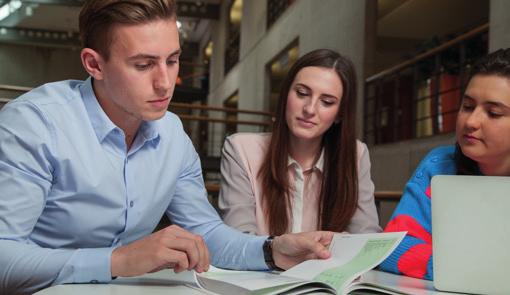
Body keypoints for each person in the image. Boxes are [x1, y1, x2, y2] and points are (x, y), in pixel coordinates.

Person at [0, 1, 334, 294]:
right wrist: (119, 260)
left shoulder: (172, 133)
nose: (165, 83)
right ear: (94, 64)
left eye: (172, 60)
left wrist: (272, 249)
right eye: (143, 65)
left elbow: (205, 232)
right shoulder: (34, 124)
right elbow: (3, 256)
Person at [218, 49, 381, 236]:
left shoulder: (356, 154)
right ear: (286, 95)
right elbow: (239, 239)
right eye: (302, 93)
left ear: (340, 114)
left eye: (327, 102)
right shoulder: (241, 149)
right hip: (260, 266)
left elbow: (365, 237)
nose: (309, 109)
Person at [379, 48, 510, 280]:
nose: (471, 121)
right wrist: (470, 271)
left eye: (493, 113)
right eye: (467, 106)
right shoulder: (439, 165)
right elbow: (392, 247)